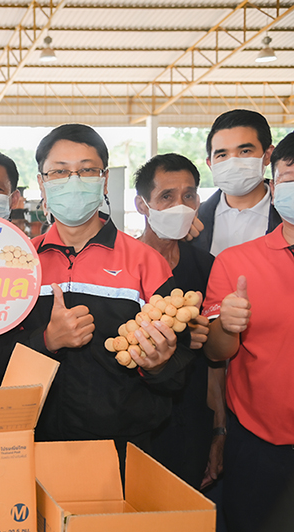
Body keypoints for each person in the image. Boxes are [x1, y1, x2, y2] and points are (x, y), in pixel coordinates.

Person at [0, 124, 194, 469]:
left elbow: (179, 368)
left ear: (104, 179)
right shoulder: (18, 262)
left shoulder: (145, 263)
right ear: (42, 182)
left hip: (122, 452)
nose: (73, 180)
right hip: (29, 447)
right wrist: (48, 341)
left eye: (86, 170)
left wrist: (159, 364)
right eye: (60, 172)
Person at [202, 131, 294, 532]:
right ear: (274, 187)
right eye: (291, 177)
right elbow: (216, 353)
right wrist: (227, 324)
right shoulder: (236, 262)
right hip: (261, 442)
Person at [133, 153, 226, 490]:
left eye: (189, 195)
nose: (180, 205)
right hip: (137, 427)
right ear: (142, 205)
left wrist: (218, 430)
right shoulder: (123, 265)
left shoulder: (206, 265)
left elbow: (217, 364)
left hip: (192, 424)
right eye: (167, 196)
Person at [190, 109, 279, 257]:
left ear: (268, 155)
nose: (233, 162)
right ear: (210, 163)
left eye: (245, 151)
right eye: (222, 155)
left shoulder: (287, 215)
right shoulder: (193, 222)